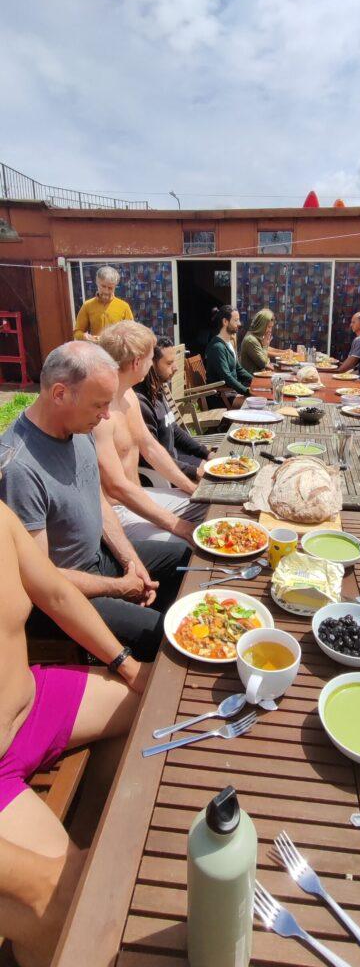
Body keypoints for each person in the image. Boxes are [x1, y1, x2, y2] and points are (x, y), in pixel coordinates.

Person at [0, 498, 149, 967]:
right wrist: (40, 881)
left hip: (32, 703)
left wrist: (128, 666)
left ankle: (97, 828)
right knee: (72, 911)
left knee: (158, 707)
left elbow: (58, 595)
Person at [0, 342, 188, 661]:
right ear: (60, 393)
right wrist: (120, 587)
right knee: (164, 636)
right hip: (66, 595)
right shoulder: (19, 469)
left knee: (185, 559)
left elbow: (98, 501)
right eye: (99, 405)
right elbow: (41, 582)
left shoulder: (77, 425)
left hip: (99, 559)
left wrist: (131, 562)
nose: (105, 416)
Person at [97, 321, 204, 545]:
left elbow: (151, 448)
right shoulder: (100, 413)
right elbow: (116, 487)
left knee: (209, 507)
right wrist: (177, 525)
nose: (152, 364)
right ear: (137, 362)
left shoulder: (129, 396)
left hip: (141, 495)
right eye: (150, 358)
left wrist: (192, 489)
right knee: (192, 543)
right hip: (118, 513)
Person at [134, 337, 217, 482]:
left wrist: (206, 453)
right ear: (151, 364)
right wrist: (193, 472)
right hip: (161, 476)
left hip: (175, 459)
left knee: (214, 466)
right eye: (169, 363)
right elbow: (152, 458)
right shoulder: (141, 402)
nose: (176, 368)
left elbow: (175, 431)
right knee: (212, 478)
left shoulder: (158, 391)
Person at [205, 305, 253, 407]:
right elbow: (226, 376)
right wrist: (246, 391)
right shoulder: (217, 347)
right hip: (221, 397)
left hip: (231, 392)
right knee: (257, 404)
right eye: (236, 320)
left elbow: (239, 369)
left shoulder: (228, 343)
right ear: (225, 322)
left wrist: (255, 380)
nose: (239, 324)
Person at [73, 266, 133, 341]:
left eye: (110, 288)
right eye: (103, 286)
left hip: (116, 348)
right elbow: (77, 332)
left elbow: (131, 332)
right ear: (97, 283)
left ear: (115, 286)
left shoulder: (124, 307)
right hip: (95, 347)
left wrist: (118, 339)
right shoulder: (87, 305)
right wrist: (84, 337)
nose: (106, 291)